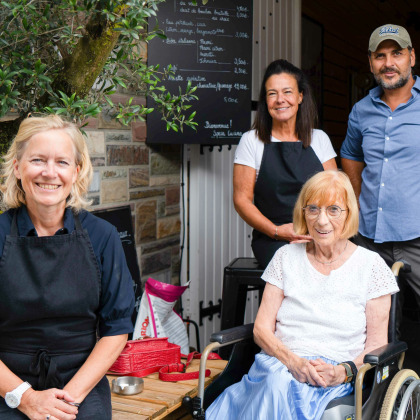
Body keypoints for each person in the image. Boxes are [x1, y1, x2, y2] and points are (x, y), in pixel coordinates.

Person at [207, 170, 398, 420]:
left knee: (282, 390)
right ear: (303, 213)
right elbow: (262, 329)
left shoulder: (371, 266)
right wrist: (293, 362)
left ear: (349, 213)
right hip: (279, 364)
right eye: (313, 209)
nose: (321, 221)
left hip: (334, 375)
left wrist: (342, 372)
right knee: (276, 384)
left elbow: (375, 345)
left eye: (333, 209)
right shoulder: (285, 257)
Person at [0, 115, 135, 420]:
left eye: (61, 162)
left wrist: (66, 401)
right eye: (37, 160)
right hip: (6, 385)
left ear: (76, 171)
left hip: (79, 385)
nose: (49, 173)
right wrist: (25, 398)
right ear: (18, 166)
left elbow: (116, 330)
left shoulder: (103, 236)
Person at [341, 24, 420, 328]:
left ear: (412, 57)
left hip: (416, 234)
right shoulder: (361, 110)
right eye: (380, 55)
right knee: (371, 322)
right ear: (371, 61)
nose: (388, 63)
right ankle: (380, 377)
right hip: (370, 237)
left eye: (397, 53)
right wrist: (358, 202)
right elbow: (351, 155)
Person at [233, 59, 337, 268]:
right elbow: (242, 200)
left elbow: (336, 194)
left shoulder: (319, 139)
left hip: (321, 234)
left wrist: (323, 232)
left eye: (287, 92)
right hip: (274, 240)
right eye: (272, 93)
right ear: (266, 100)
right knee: (298, 271)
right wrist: (278, 231)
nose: (280, 99)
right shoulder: (251, 141)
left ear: (300, 97)